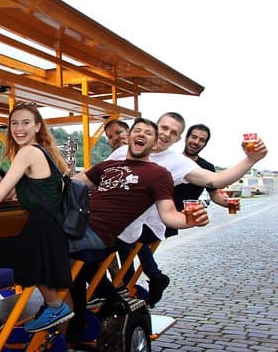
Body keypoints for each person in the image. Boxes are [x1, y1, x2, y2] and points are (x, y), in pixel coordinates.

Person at [67, 118, 209, 338]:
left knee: (107, 251)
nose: (115, 138)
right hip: (101, 226)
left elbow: (213, 184)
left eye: (119, 133)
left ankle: (117, 292)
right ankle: (108, 297)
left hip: (133, 226)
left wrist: (188, 219)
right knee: (77, 261)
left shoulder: (166, 168)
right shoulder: (112, 161)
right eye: (111, 136)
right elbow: (75, 183)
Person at [109, 112, 268, 306]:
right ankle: (116, 291)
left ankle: (123, 291)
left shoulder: (180, 162)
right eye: (164, 128)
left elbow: (215, 182)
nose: (166, 134)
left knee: (113, 247)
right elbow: (96, 178)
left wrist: (250, 161)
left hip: (151, 221)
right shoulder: (122, 152)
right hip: (113, 219)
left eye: (173, 132)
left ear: (178, 138)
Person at [0, 102, 73, 352]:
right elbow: (9, 193)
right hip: (46, 233)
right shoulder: (43, 153)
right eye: (14, 123)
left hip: (39, 236)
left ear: (37, 126)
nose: (19, 128)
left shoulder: (27, 152)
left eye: (25, 123)